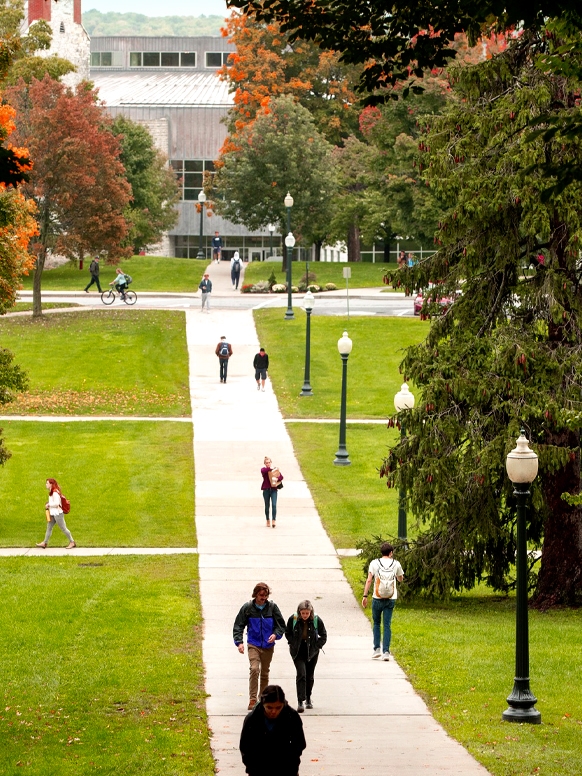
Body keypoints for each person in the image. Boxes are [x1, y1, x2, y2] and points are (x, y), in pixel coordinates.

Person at [233, 583, 286, 710]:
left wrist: (275, 635)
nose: (264, 598)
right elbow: (238, 625)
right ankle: (252, 699)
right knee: (254, 669)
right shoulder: (248, 608)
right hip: (253, 644)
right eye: (261, 595)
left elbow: (281, 625)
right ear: (255, 594)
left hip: (268, 645)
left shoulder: (272, 607)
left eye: (266, 595)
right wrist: (239, 642)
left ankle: (262, 699)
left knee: (264, 672)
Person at [239, 685, 306, 776]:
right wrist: (251, 768)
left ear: (283, 704)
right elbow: (245, 747)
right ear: (263, 704)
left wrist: (291, 764)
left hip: (286, 768)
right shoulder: (252, 719)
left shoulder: (292, 717)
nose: (274, 711)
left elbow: (299, 744)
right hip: (258, 769)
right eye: (269, 707)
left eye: (278, 708)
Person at [362, 542, 404, 660]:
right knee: (387, 625)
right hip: (390, 598)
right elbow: (400, 579)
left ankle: (376, 649)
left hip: (377, 597)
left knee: (376, 623)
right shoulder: (396, 564)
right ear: (391, 553)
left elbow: (369, 580)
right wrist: (398, 577)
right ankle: (386, 652)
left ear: (381, 552)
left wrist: (365, 596)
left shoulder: (374, 563)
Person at [285, 600, 327, 713]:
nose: (305, 616)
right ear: (299, 612)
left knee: (309, 676)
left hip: (312, 651)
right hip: (298, 651)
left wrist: (317, 646)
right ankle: (300, 700)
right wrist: (292, 642)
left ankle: (308, 697)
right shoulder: (293, 619)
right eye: (303, 613)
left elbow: (323, 634)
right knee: (301, 674)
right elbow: (287, 632)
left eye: (307, 613)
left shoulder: (316, 620)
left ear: (310, 612)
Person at [36, 478, 76, 549]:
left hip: (58, 514)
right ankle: (44, 542)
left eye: (47, 483)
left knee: (63, 528)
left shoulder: (55, 492)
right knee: (49, 527)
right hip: (53, 513)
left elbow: (57, 503)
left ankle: (72, 542)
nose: (46, 484)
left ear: (51, 484)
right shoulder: (52, 491)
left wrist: (49, 504)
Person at [261, 456, 282, 527]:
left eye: (269, 462)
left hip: (273, 490)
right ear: (265, 463)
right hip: (266, 490)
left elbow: (281, 476)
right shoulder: (264, 470)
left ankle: (273, 520)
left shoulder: (274, 470)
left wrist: (277, 478)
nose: (268, 464)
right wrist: (270, 468)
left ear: (271, 462)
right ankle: (267, 520)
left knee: (274, 505)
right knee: (267, 506)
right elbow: (264, 471)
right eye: (266, 463)